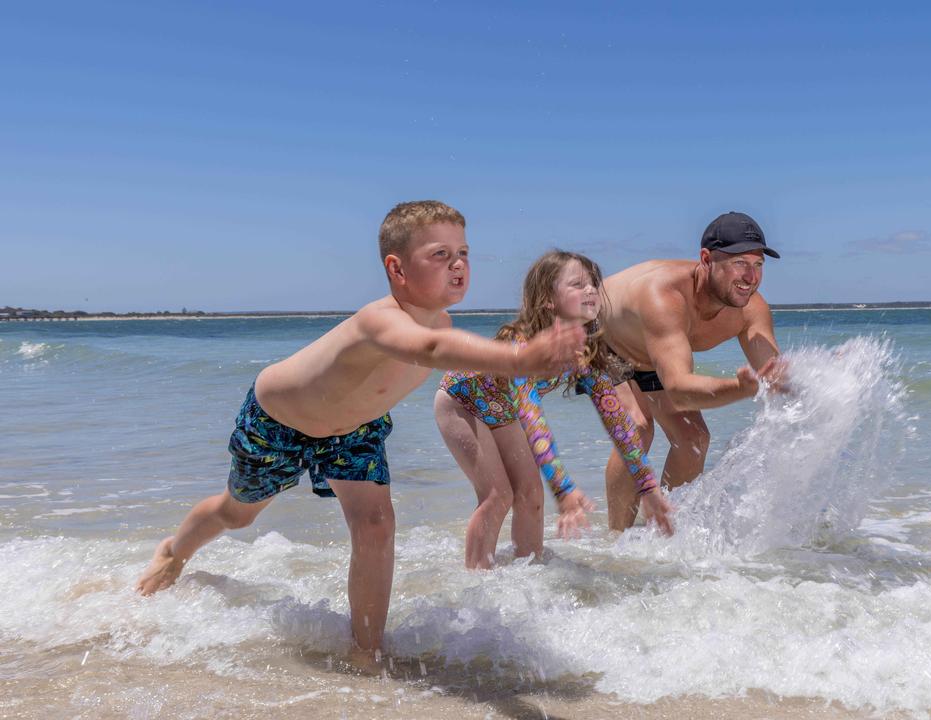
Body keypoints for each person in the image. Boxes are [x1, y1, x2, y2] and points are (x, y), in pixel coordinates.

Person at [134, 200, 585, 671]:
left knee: (376, 524)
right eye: (440, 254)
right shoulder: (380, 319)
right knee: (237, 513)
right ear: (397, 268)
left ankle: (366, 651)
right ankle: (173, 552)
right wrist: (517, 357)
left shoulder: (447, 325)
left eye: (464, 253)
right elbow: (428, 347)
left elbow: (450, 352)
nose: (458, 264)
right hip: (277, 422)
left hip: (355, 431)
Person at [436, 250, 675, 568]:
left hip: (502, 412)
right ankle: (477, 582)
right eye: (578, 284)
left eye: (593, 283)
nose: (591, 289)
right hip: (460, 403)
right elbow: (533, 420)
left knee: (532, 495)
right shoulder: (524, 346)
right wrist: (564, 489)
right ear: (548, 299)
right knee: (498, 495)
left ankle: (530, 572)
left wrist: (647, 486)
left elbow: (616, 419)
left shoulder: (586, 350)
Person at [599, 211, 786, 531]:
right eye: (740, 263)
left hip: (649, 354)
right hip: (599, 337)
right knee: (637, 428)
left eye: (758, 265)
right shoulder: (665, 297)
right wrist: (739, 388)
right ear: (706, 259)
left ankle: (662, 535)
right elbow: (680, 389)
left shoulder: (751, 309)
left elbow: (773, 374)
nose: (751, 277)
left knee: (693, 438)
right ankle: (617, 540)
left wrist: (823, 376)